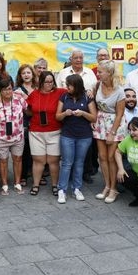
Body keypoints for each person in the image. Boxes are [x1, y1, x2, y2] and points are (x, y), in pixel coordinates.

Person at [55, 74, 97, 203]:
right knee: (67, 163)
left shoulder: (87, 97)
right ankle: (61, 190)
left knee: (79, 163)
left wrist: (83, 113)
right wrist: (65, 113)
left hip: (84, 135)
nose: (67, 87)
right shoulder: (64, 96)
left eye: (69, 85)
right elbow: (57, 116)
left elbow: (94, 117)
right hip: (67, 134)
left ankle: (76, 188)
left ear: (77, 85)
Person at [0, 77, 28, 196]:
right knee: (3, 160)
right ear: (0, 91)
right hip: (1, 137)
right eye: (4, 90)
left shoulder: (19, 99)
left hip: (18, 135)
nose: (7, 92)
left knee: (18, 159)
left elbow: (27, 110)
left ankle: (17, 183)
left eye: (9, 89)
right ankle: (4, 185)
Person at [93, 61, 126, 204]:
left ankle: (114, 188)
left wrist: (112, 133)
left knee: (112, 157)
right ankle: (107, 185)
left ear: (109, 72)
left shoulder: (120, 90)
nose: (98, 73)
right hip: (101, 122)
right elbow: (95, 103)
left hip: (115, 124)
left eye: (100, 71)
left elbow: (120, 114)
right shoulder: (97, 85)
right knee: (102, 156)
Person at [27, 71, 64, 196]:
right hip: (36, 132)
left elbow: (75, 90)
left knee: (53, 160)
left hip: (54, 131)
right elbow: (28, 110)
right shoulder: (33, 94)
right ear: (41, 82)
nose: (49, 84)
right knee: (38, 160)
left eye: (51, 81)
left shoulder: (60, 92)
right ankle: (35, 185)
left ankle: (55, 185)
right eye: (46, 82)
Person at [14, 63, 37, 184]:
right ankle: (23, 176)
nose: (26, 75)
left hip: (37, 122)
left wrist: (25, 97)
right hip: (23, 123)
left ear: (33, 74)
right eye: (23, 73)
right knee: (24, 150)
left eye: (28, 72)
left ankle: (36, 175)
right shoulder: (17, 90)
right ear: (20, 76)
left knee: (36, 151)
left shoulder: (38, 89)